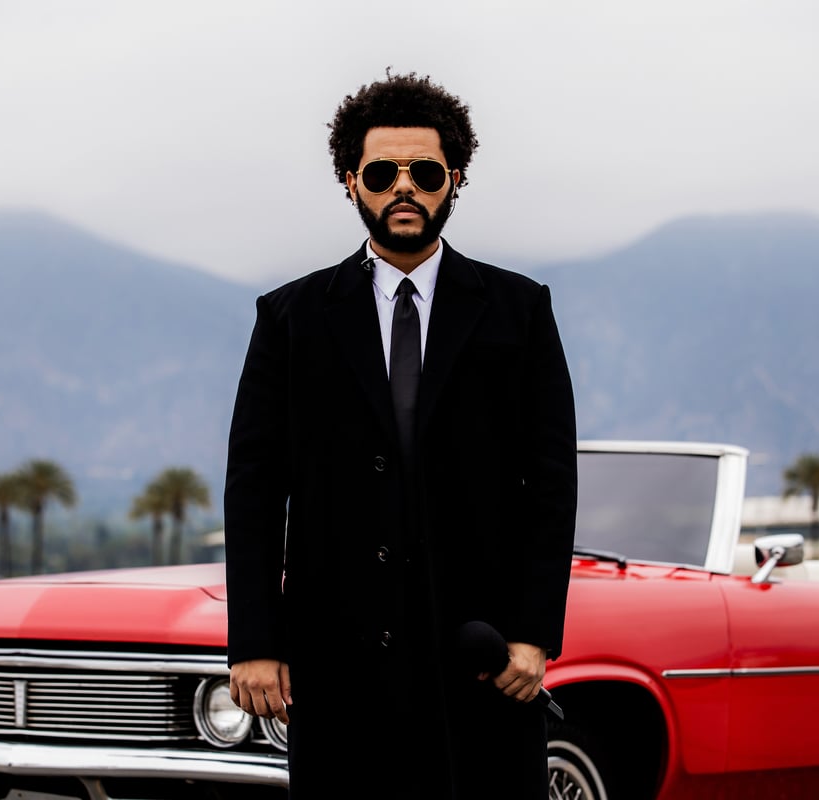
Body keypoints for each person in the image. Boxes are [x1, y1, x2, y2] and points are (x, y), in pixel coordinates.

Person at [224, 71, 577, 799]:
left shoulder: (520, 311)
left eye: (425, 172)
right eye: (383, 172)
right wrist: (256, 643)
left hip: (482, 658)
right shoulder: (290, 319)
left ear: (456, 178)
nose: (404, 188)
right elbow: (254, 492)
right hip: (337, 661)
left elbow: (551, 485)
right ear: (352, 182)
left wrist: (535, 635)